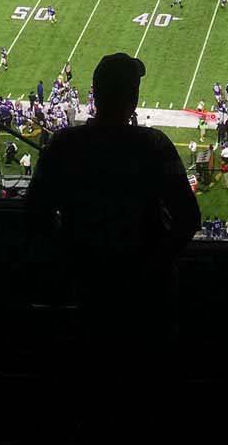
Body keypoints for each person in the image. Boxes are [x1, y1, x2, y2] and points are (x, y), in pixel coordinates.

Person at [25, 53, 200, 334]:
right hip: (148, 290)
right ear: (133, 99)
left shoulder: (65, 145)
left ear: (95, 95)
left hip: (87, 282)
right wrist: (155, 263)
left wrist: (71, 253)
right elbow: (189, 217)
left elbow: (35, 211)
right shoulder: (154, 145)